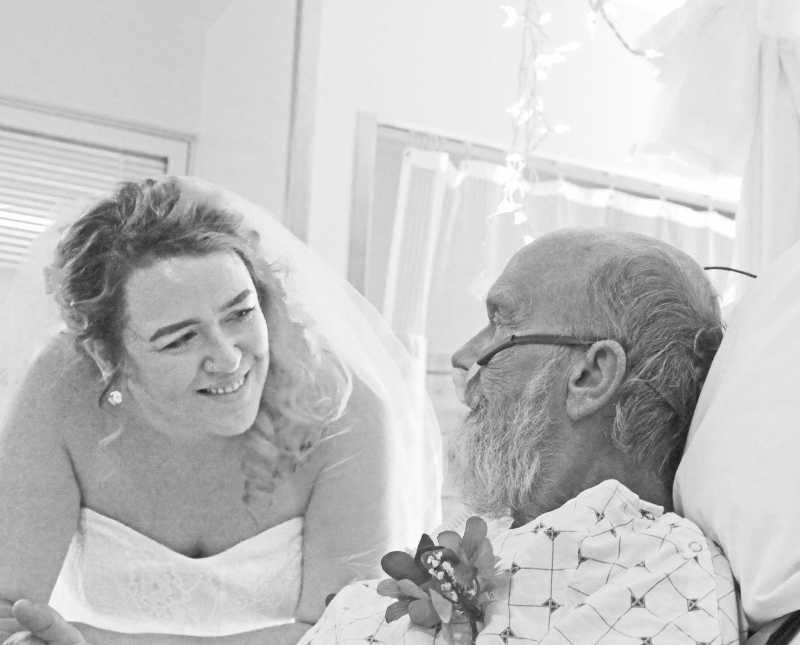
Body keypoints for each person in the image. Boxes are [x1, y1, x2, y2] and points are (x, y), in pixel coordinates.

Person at [0, 177, 441, 645]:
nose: (229, 358)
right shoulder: (61, 386)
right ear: (108, 359)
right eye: (181, 338)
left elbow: (345, 635)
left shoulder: (344, 409)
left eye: (240, 313)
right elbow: (10, 612)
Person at [293, 229, 742, 644]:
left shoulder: (665, 574)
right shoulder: (502, 536)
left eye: (500, 324)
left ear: (591, 375)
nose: (466, 356)